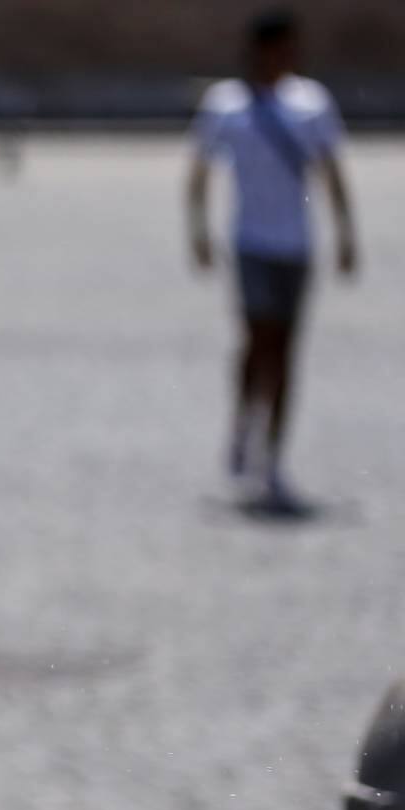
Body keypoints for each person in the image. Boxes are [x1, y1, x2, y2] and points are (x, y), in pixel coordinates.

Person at [187, 9, 357, 510]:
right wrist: (198, 230)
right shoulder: (227, 105)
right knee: (257, 341)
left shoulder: (311, 102)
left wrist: (346, 233)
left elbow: (330, 170)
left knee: (285, 350)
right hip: (251, 242)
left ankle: (272, 457)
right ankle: (244, 423)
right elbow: (199, 169)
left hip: (297, 245)